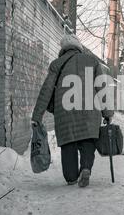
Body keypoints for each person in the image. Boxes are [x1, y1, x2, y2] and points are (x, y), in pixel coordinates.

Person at [32, 33, 113, 187]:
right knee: (88, 142)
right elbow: (102, 89)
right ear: (78, 46)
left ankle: (71, 177)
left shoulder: (56, 64)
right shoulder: (92, 61)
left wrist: (37, 116)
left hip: (65, 115)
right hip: (90, 112)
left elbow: (46, 90)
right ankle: (86, 168)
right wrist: (107, 113)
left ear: (63, 48)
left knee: (68, 145)